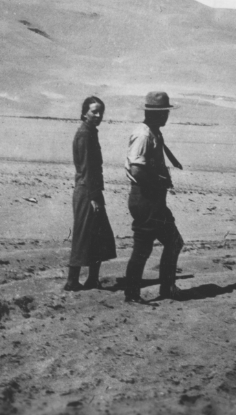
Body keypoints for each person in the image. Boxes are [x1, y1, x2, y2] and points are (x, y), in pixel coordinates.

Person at [123, 91, 186, 302]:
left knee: (170, 242)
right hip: (146, 200)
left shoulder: (153, 132)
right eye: (164, 112)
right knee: (147, 247)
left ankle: (163, 289)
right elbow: (137, 171)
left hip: (152, 201)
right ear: (156, 114)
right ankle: (134, 294)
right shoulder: (144, 135)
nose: (167, 116)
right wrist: (159, 181)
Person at [66, 96, 117, 291]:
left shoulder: (90, 132)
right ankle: (72, 281)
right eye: (94, 111)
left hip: (92, 190)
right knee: (83, 235)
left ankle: (92, 279)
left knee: (100, 235)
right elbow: (88, 169)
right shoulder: (85, 134)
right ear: (84, 112)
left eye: (100, 112)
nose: (98, 115)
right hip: (87, 191)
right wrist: (95, 197)